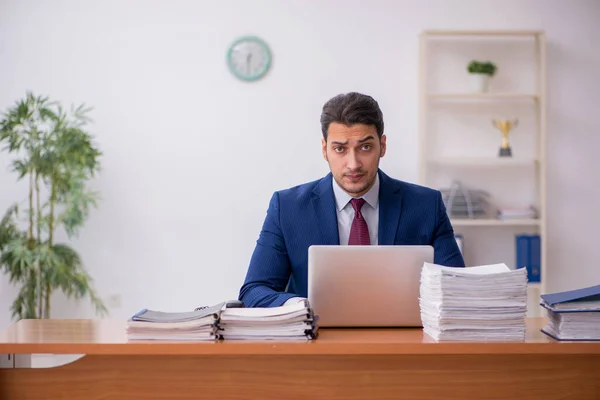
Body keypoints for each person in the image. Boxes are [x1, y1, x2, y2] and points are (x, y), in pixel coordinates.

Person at [238, 92, 465, 308]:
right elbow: (255, 290)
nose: (353, 163)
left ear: (382, 146)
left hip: (403, 340)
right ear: (325, 149)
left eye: (365, 147)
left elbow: (457, 287)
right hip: (317, 340)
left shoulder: (426, 205)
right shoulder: (287, 207)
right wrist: (299, 305)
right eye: (340, 149)